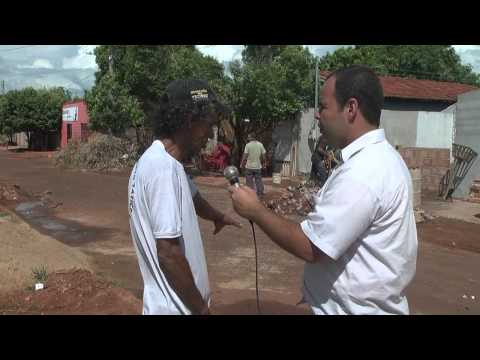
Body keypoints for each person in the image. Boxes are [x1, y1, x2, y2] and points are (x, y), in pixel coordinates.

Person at [228, 65, 418, 315]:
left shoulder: (364, 172)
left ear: (350, 108)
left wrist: (256, 211)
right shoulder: (380, 159)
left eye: (324, 107)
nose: (318, 116)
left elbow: (311, 247)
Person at [128, 79, 241, 315]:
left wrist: (218, 216)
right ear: (189, 121)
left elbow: (194, 198)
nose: (210, 134)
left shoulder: (161, 162)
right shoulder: (162, 169)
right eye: (207, 124)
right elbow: (168, 252)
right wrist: (202, 310)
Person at [241, 133, 266, 198]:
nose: (248, 138)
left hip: (249, 167)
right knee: (258, 180)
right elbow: (263, 156)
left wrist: (242, 164)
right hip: (258, 167)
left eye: (248, 137)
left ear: (252, 137)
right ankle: (260, 194)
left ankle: (250, 195)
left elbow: (245, 156)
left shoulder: (248, 145)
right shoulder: (260, 145)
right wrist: (264, 163)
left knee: (249, 181)